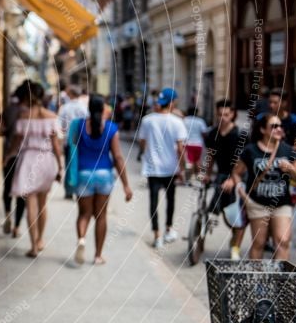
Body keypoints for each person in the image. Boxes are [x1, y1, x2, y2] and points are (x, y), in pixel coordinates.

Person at [68, 94, 133, 265]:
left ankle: (81, 239)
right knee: (101, 216)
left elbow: (71, 150)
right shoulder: (111, 128)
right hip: (104, 175)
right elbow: (118, 157)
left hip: (83, 174)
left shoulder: (79, 125)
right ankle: (98, 256)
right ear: (103, 108)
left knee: (84, 214)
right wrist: (126, 185)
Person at [231, 113, 296, 260]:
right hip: (257, 203)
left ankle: (279, 280)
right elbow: (236, 172)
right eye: (274, 126)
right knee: (259, 243)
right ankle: (256, 279)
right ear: (263, 130)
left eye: (280, 126)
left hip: (281, 203)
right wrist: (240, 189)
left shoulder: (288, 151)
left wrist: (290, 169)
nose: (279, 129)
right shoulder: (251, 151)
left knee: (282, 241)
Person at [9, 82, 63, 258]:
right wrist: (60, 167)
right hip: (46, 160)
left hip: (28, 160)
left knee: (30, 204)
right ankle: (40, 239)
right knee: (42, 203)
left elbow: (16, 145)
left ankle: (33, 246)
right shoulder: (51, 116)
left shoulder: (23, 117)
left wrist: (7, 156)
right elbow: (56, 146)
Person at [138, 88, 188, 249]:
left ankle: (156, 235)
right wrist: (183, 169)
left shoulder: (147, 120)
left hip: (153, 168)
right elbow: (181, 149)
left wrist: (148, 155)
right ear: (172, 103)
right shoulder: (177, 122)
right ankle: (168, 229)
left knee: (153, 201)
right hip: (170, 168)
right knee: (170, 199)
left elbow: (142, 142)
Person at [202, 100, 246, 260]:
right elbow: (211, 156)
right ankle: (199, 241)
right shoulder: (213, 133)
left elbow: (243, 162)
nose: (223, 118)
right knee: (212, 210)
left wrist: (233, 180)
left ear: (233, 114)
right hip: (221, 175)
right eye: (220, 114)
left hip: (237, 176)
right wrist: (206, 174)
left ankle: (235, 245)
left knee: (235, 215)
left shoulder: (240, 135)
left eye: (226, 115)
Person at [0, 83, 27, 236]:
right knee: (22, 192)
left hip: (10, 155)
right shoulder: (32, 113)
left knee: (7, 187)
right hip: (27, 157)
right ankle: (17, 226)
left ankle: (8, 214)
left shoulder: (9, 110)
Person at [57, 86, 89, 200]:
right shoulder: (83, 108)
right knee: (80, 164)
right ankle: (79, 189)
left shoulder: (65, 108)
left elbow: (59, 126)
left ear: (70, 94)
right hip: (82, 141)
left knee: (69, 164)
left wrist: (60, 141)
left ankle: (69, 191)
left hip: (69, 141)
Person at [183, 106, 208, 179]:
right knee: (197, 160)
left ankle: (189, 177)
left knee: (189, 161)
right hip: (198, 144)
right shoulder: (200, 121)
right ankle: (199, 176)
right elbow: (204, 133)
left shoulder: (184, 120)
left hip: (187, 143)